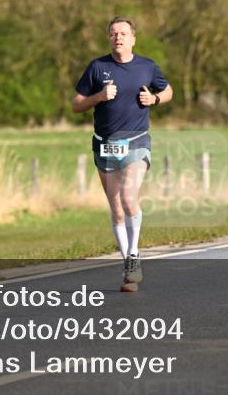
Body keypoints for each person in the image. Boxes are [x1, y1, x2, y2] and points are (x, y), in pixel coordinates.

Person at [72, 17, 172, 292]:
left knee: (129, 197)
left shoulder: (147, 67)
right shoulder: (97, 67)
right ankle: (127, 264)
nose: (119, 37)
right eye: (114, 33)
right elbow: (76, 104)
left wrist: (154, 99)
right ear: (109, 38)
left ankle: (134, 255)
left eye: (124, 33)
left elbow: (168, 91)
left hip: (136, 140)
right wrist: (99, 97)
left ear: (133, 38)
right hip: (104, 143)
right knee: (116, 208)